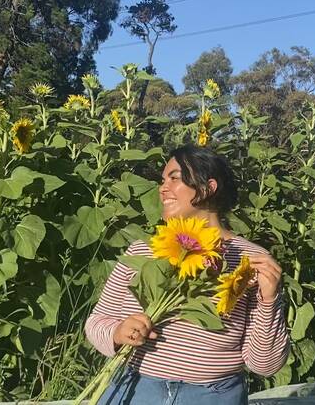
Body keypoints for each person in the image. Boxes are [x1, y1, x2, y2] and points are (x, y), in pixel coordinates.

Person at [84, 144, 290, 405]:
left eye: (174, 178)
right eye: (162, 180)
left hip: (211, 395)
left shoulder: (252, 261)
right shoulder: (144, 251)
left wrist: (269, 301)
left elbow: (265, 364)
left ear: (207, 188)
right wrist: (116, 333)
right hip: (135, 389)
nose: (162, 188)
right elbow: (96, 322)